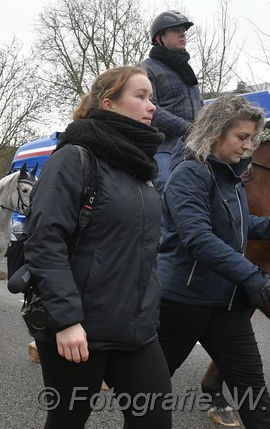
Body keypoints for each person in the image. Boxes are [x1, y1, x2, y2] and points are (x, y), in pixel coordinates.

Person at [22, 66, 171, 428]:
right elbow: (44, 242)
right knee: (68, 420)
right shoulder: (74, 158)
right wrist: (67, 320)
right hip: (80, 330)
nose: (151, 106)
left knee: (155, 421)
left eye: (152, 98)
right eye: (140, 96)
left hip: (136, 330)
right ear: (109, 104)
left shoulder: (142, 169)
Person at [156, 95, 270, 429]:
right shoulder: (189, 176)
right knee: (148, 398)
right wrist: (252, 276)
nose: (248, 146)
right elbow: (199, 238)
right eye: (242, 137)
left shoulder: (231, 177)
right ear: (215, 134)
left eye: (252, 139)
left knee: (256, 399)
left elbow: (240, 223)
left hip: (226, 306)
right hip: (181, 304)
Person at [141, 9, 204, 191]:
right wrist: (186, 128)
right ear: (160, 37)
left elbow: (199, 106)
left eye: (184, 30)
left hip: (196, 146)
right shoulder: (146, 69)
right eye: (176, 30)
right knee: (167, 187)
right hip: (164, 147)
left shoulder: (186, 70)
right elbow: (151, 108)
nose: (182, 34)